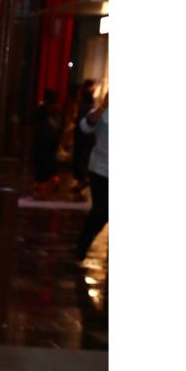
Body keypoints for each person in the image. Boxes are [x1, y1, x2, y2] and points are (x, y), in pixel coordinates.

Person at [74, 93, 109, 261]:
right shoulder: (104, 113)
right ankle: (82, 245)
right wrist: (103, 107)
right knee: (101, 212)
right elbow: (85, 126)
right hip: (101, 170)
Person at [31, 87, 62, 195]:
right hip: (53, 140)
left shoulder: (42, 109)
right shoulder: (57, 110)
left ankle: (42, 185)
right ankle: (53, 179)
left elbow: (33, 121)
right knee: (51, 160)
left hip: (41, 140)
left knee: (41, 162)